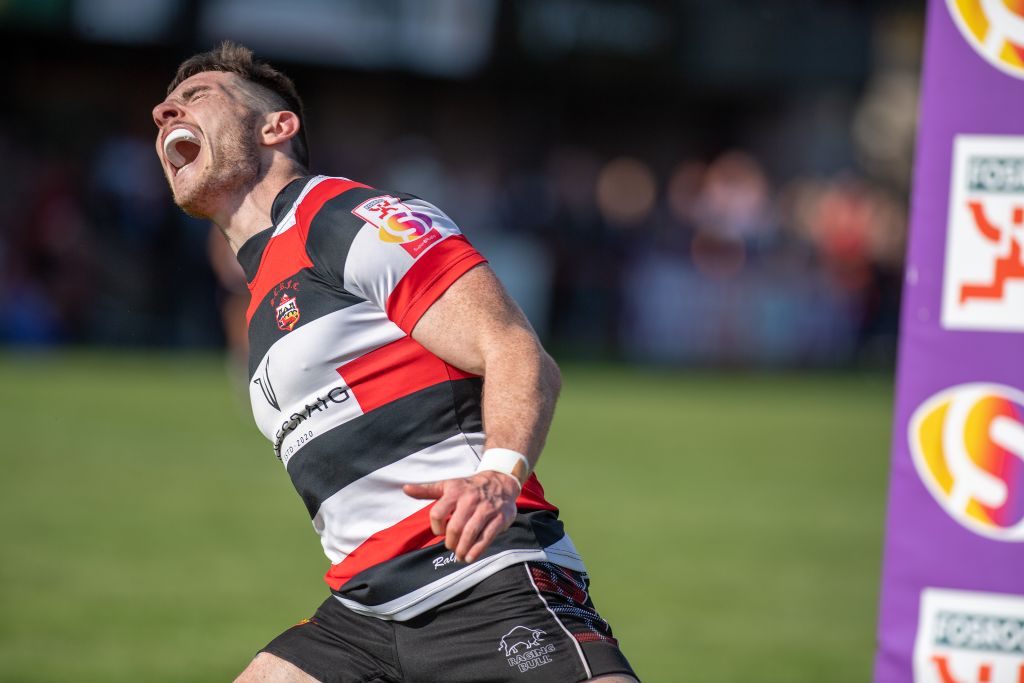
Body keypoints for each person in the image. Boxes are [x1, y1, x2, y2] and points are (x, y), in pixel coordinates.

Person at [152, 41, 638, 683]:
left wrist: (497, 477)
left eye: (198, 96)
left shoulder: (345, 218)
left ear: (277, 126)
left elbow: (516, 350)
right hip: (363, 616)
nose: (165, 112)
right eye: (164, 107)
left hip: (480, 583)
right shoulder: (265, 289)